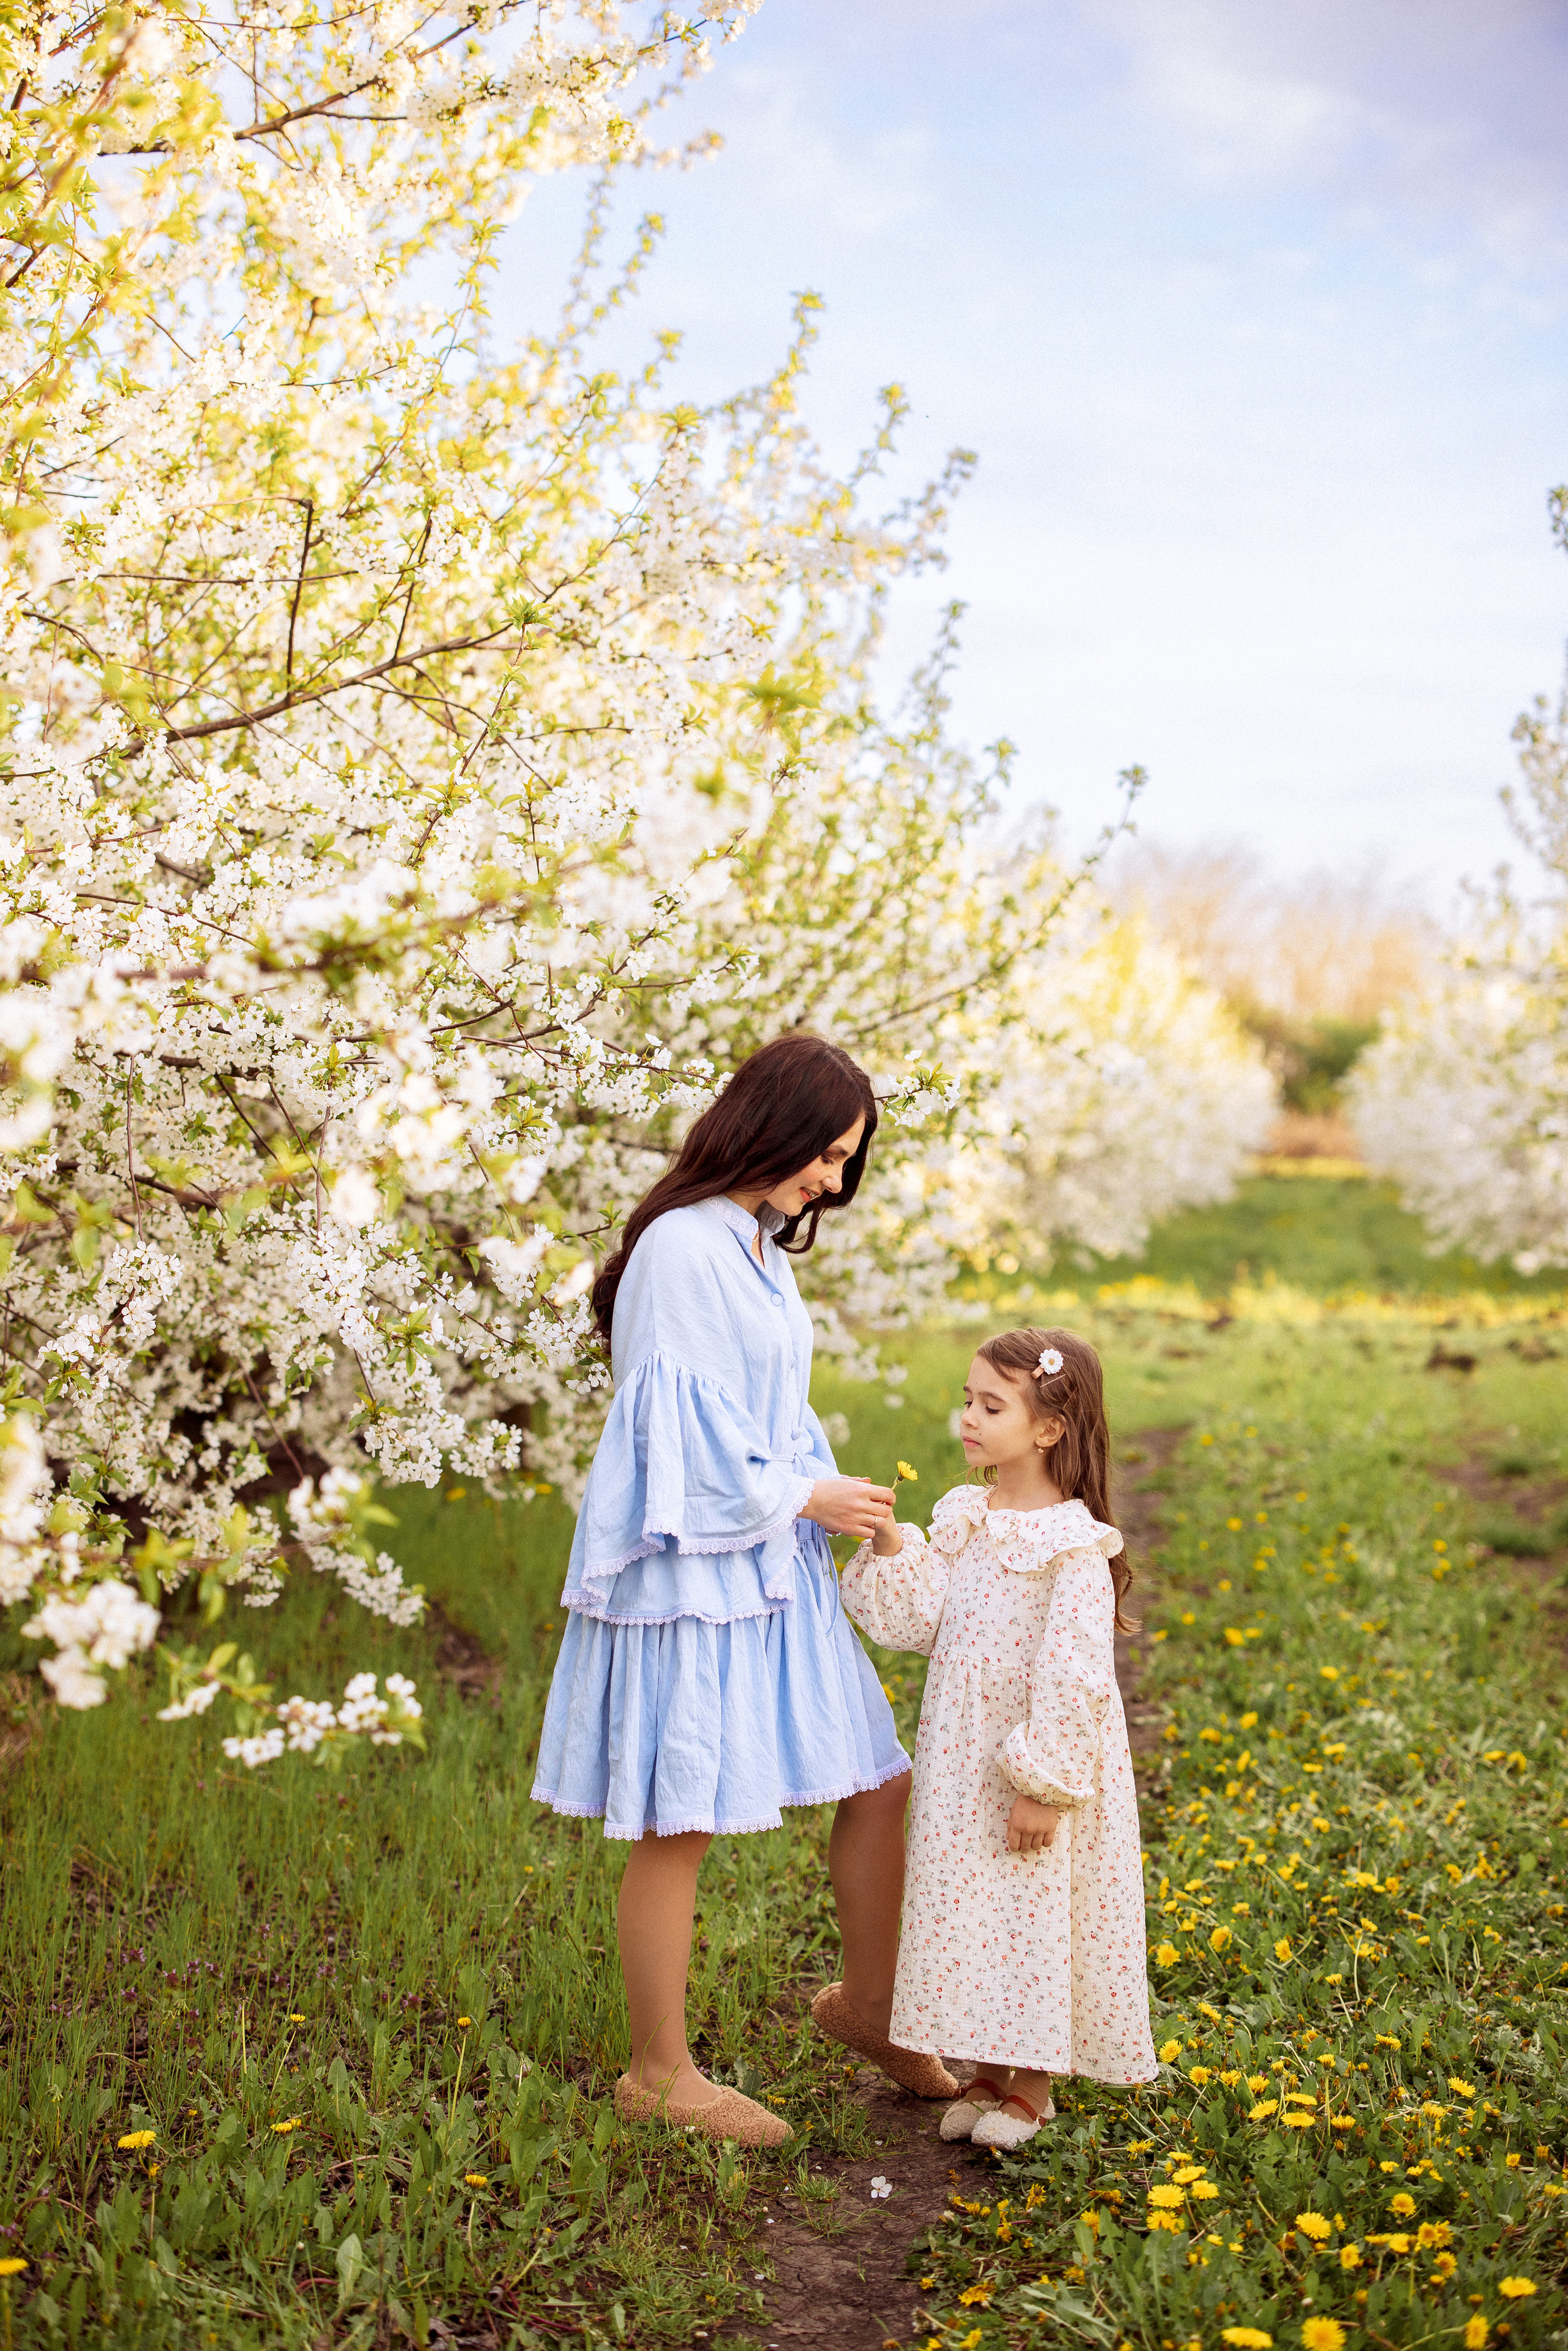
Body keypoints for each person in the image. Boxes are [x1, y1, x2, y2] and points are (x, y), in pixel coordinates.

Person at [531, 1033, 959, 2148]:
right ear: (766, 1125)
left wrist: (830, 1495)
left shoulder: (760, 1248)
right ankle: (657, 2071)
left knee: (877, 1776)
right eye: (825, 1153)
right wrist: (799, 1494)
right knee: (683, 1818)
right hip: (696, 1566)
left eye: (845, 1164)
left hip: (772, 1557)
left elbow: (761, 1411)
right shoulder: (683, 1246)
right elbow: (676, 1430)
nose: (831, 1181)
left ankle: (871, 2005)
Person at [839, 1325, 1157, 2149]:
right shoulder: (968, 1516)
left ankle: (1034, 2084)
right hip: (961, 1761)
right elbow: (922, 1619)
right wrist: (889, 1538)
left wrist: (1043, 1782)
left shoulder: (1071, 1544)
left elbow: (1077, 1673)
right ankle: (983, 2068)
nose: (969, 1419)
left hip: (1027, 1760)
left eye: (991, 1404)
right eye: (966, 1400)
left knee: (1035, 1907)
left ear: (1049, 1427)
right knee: (968, 1907)